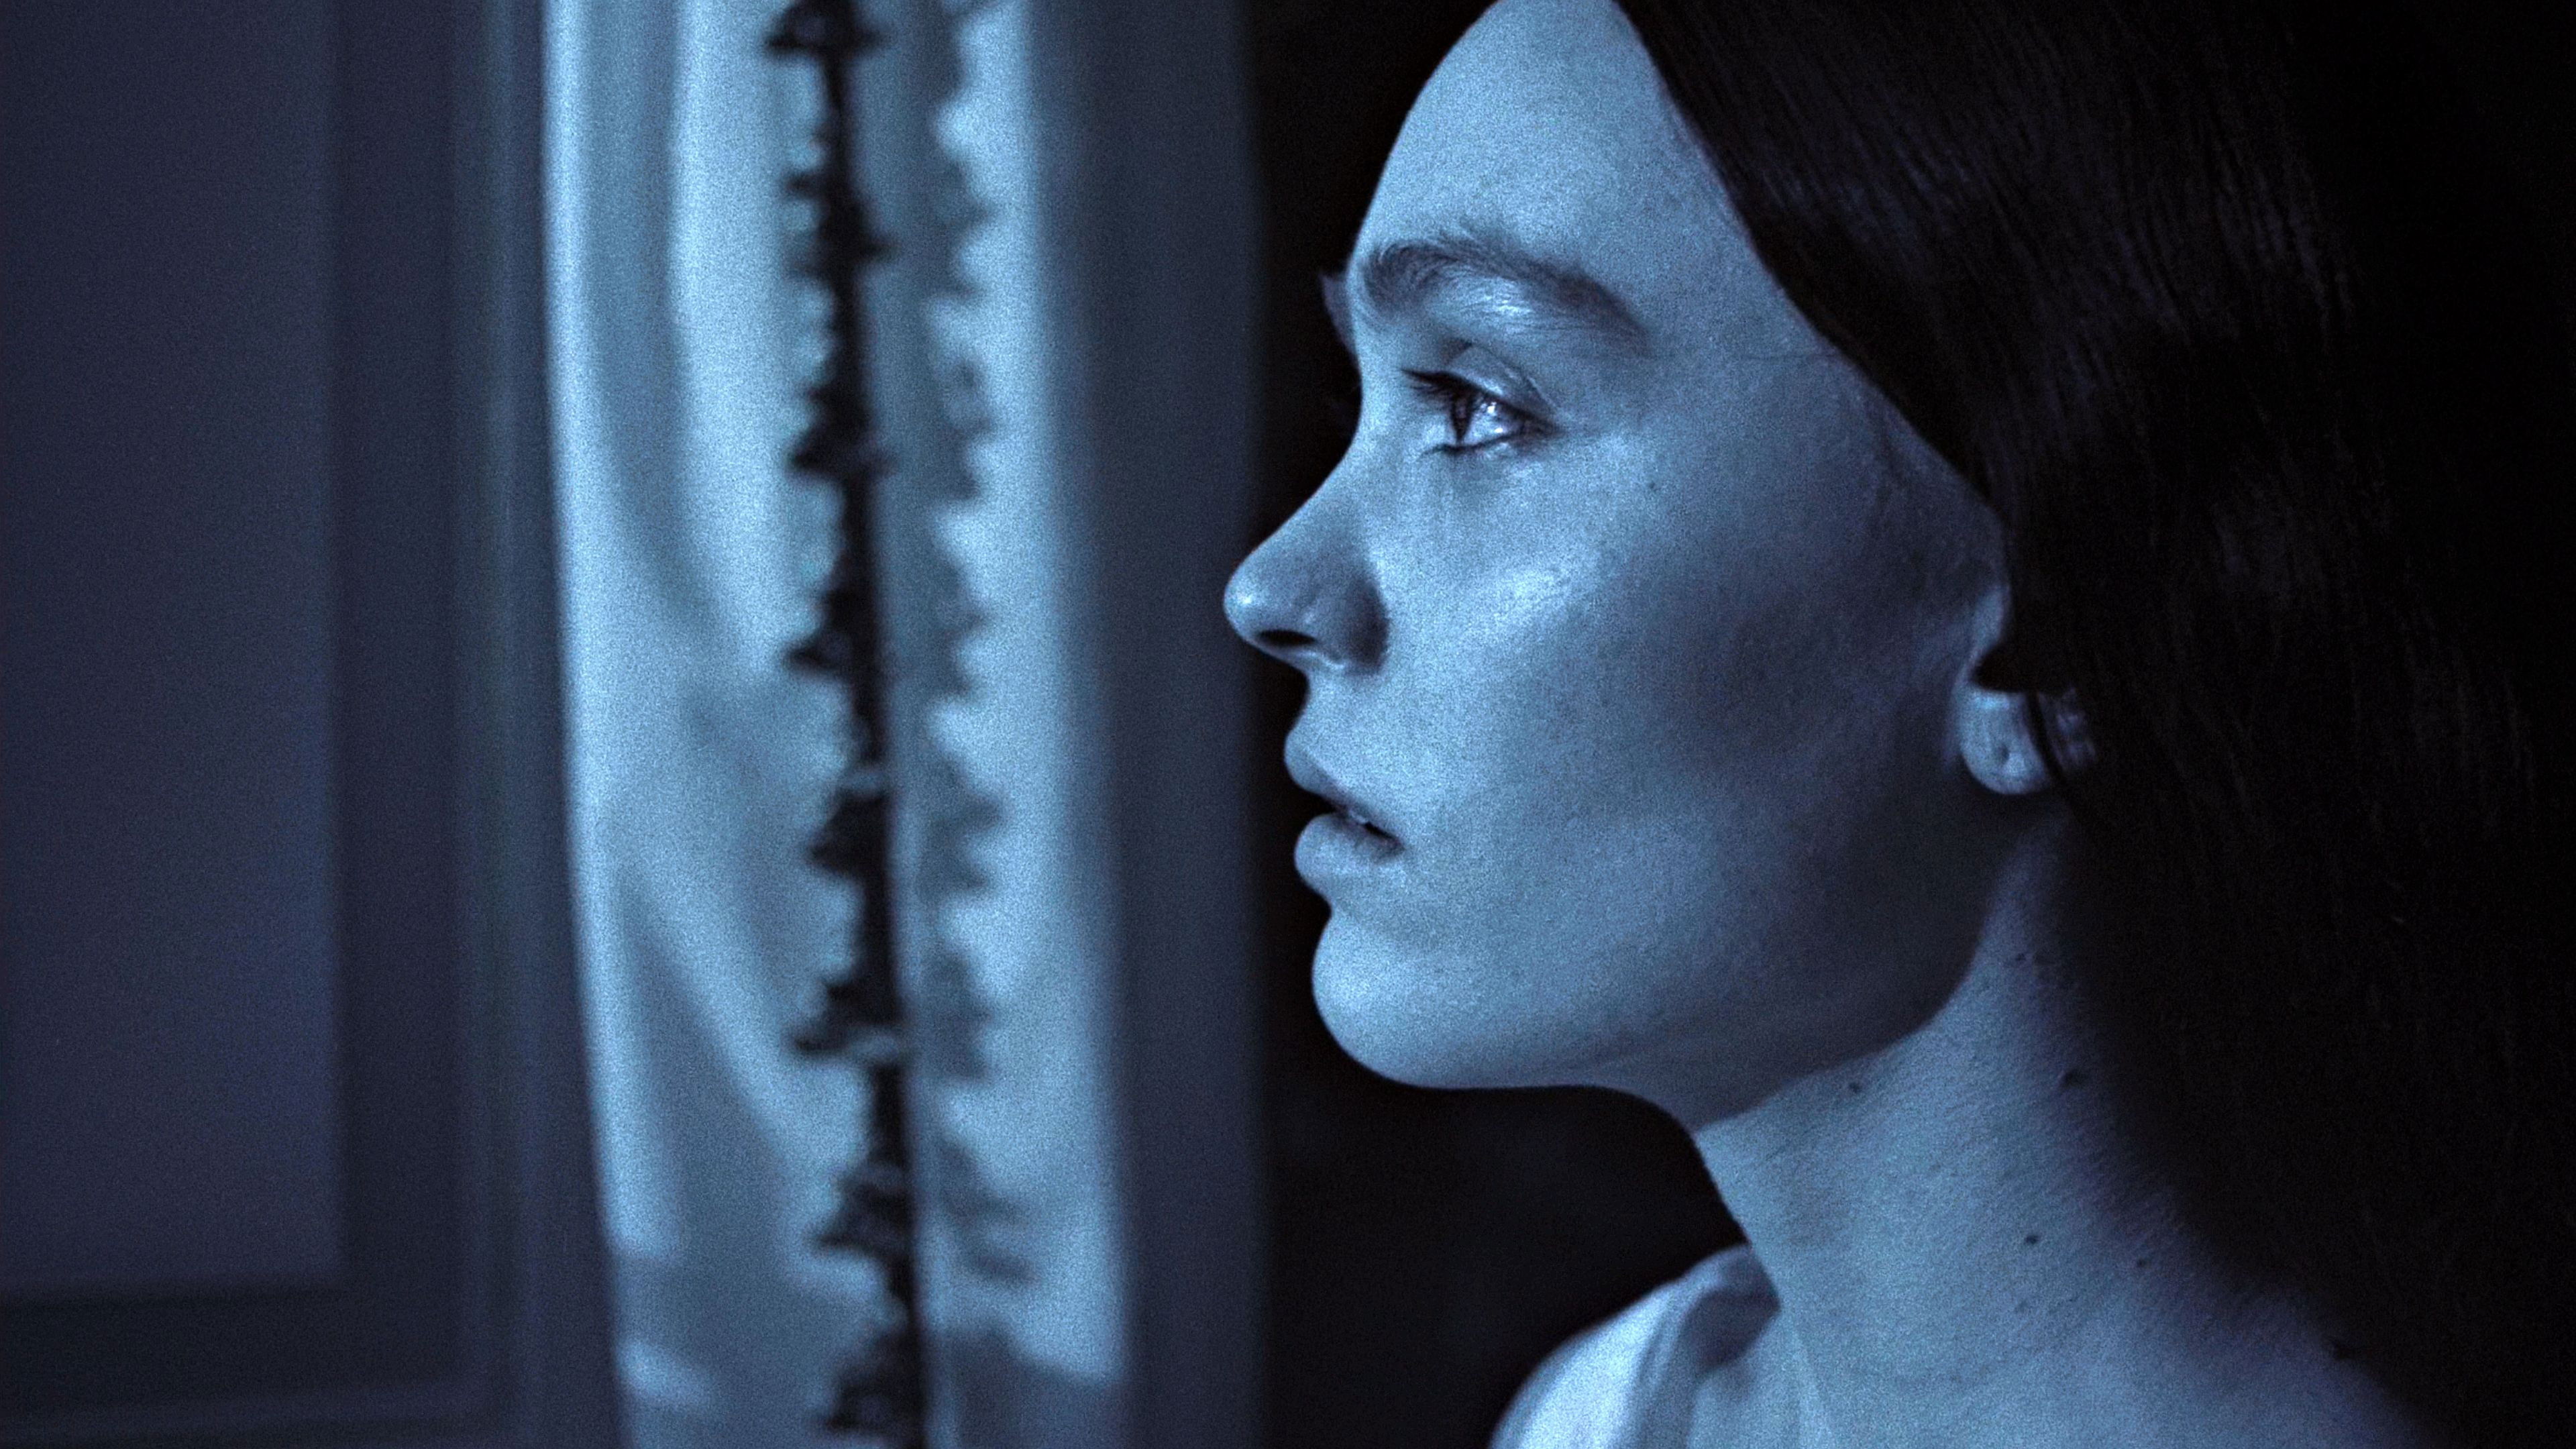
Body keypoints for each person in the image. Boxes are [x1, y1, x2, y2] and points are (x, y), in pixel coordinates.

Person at [1222, 0, 2576, 1444]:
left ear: (2054, 635)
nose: (1272, 590)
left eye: (1479, 403)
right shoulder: (1616, 1412)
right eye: (1357, 389)